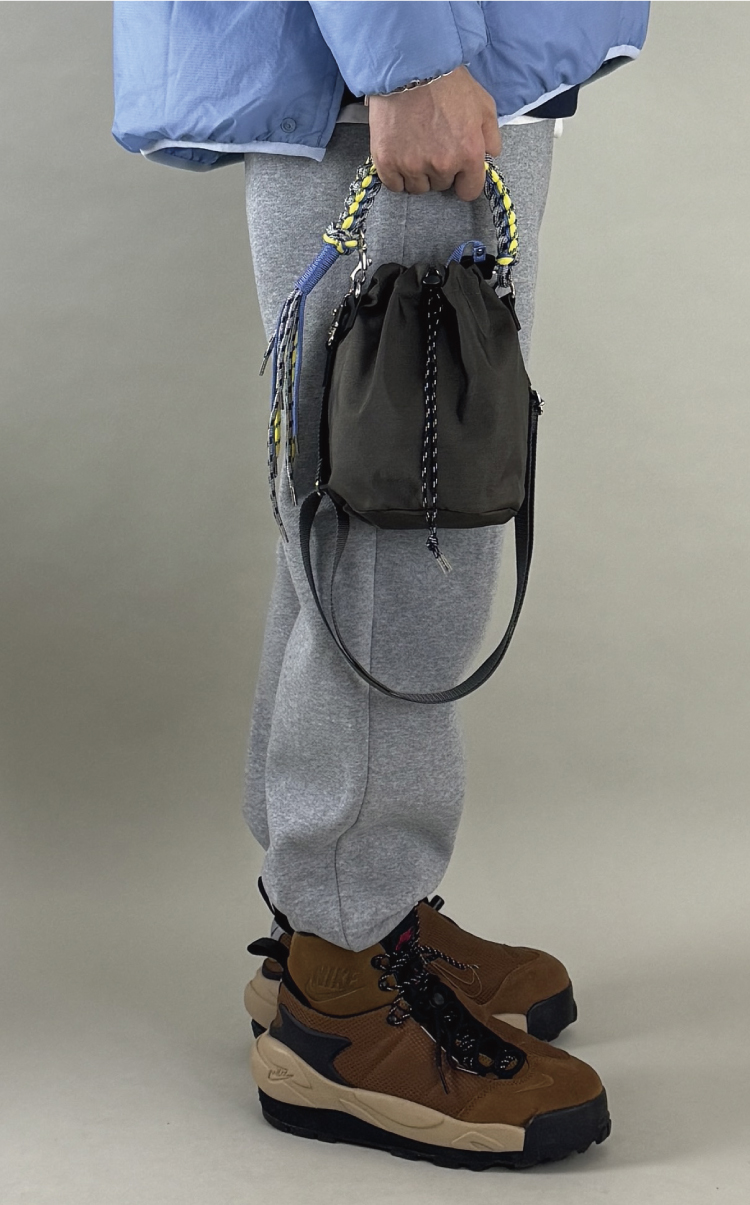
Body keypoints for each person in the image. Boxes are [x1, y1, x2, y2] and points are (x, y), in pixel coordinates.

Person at [112, 0, 650, 1170]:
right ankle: (347, 988)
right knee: (404, 529)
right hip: (405, 61)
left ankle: (349, 917)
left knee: (351, 523)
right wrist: (408, 61)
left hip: (434, 55)